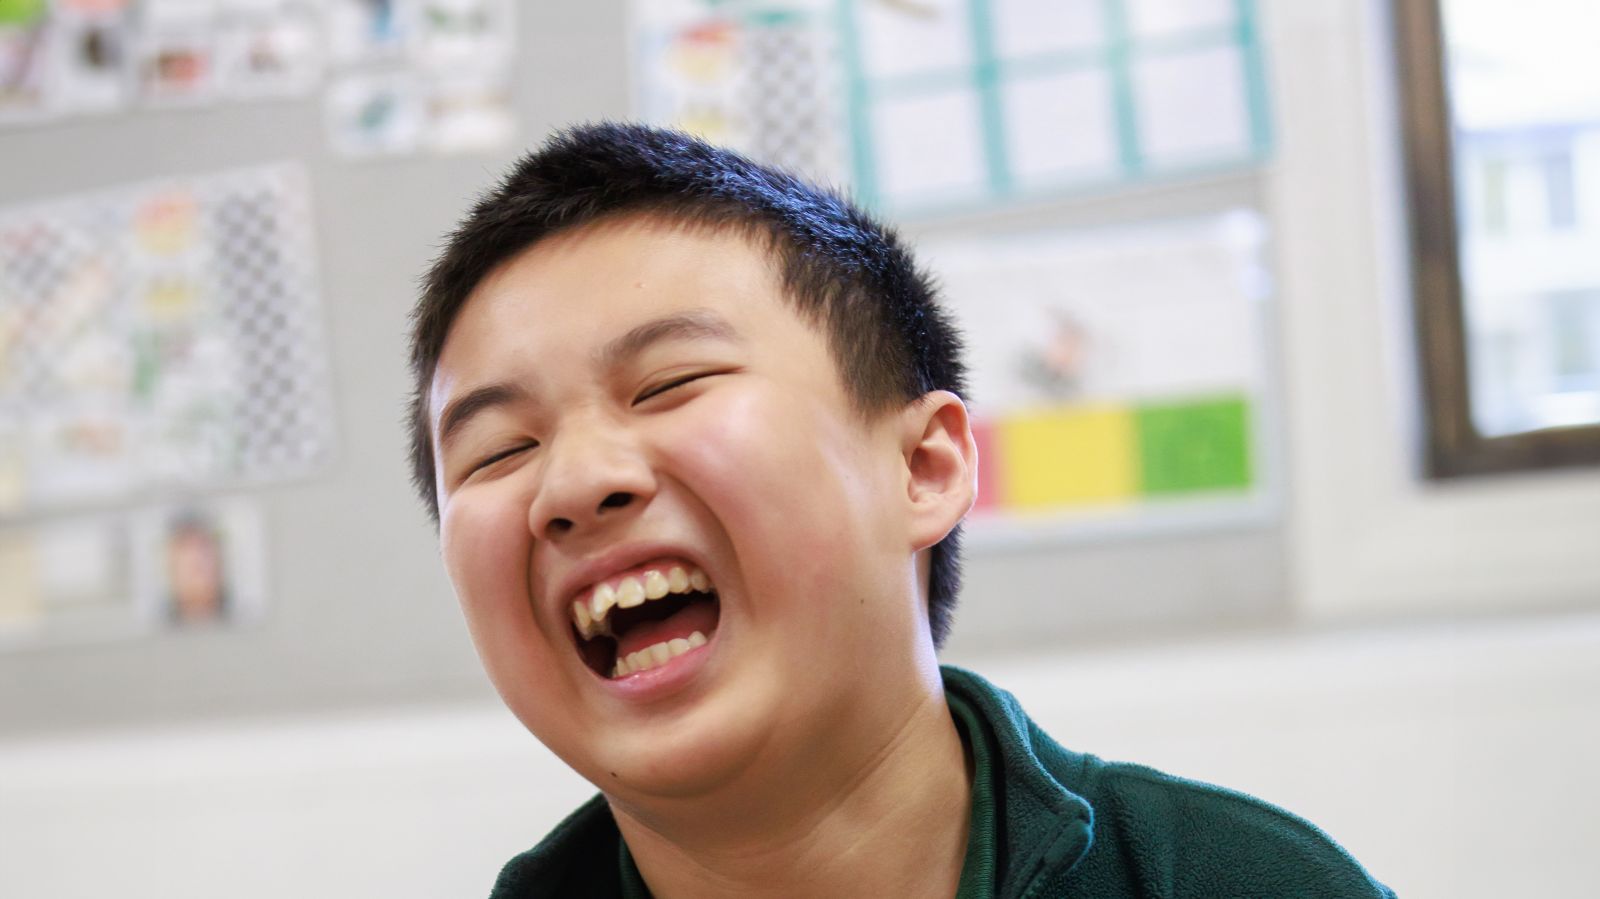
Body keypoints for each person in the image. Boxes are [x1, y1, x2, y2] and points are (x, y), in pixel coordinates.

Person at [406, 122, 1394, 898]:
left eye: (669, 383)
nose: (575, 482)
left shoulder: (1237, 882)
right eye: (500, 449)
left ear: (922, 466)